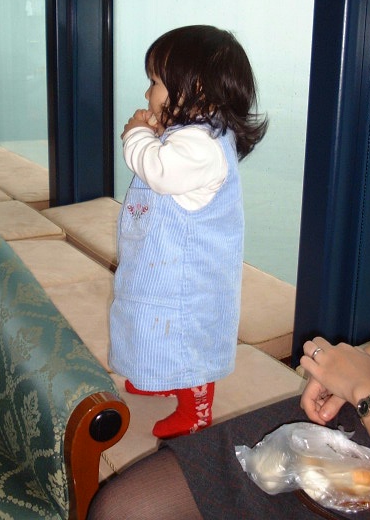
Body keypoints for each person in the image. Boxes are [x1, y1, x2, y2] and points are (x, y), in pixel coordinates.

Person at [90, 268, 370, 519]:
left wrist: (366, 389)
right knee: (120, 509)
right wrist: (359, 363)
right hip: (368, 406)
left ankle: (194, 402)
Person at [108, 25, 268, 439]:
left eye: (155, 83)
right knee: (151, 325)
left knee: (184, 338)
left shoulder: (203, 146)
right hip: (162, 267)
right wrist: (159, 131)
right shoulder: (191, 135)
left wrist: (136, 135)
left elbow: (159, 170)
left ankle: (195, 405)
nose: (147, 93)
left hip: (186, 281)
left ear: (194, 88)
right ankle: (159, 374)